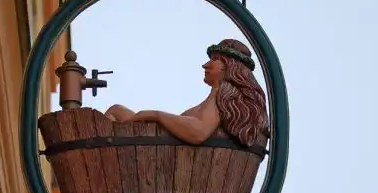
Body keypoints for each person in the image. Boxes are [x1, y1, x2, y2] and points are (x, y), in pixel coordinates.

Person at [105, 39, 268, 146]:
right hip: (164, 149)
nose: (205, 65)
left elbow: (199, 132)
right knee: (116, 110)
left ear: (230, 66)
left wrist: (154, 114)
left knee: (115, 112)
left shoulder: (224, 96)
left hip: (176, 163)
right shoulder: (216, 97)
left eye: (214, 60)